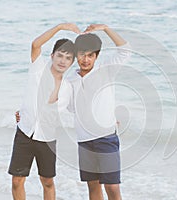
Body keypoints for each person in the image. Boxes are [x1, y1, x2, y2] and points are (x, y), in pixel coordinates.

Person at [58, 24, 131, 200]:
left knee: (112, 187)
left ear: (96, 56)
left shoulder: (105, 71)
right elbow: (66, 107)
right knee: (93, 187)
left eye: (90, 55)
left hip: (106, 138)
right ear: (75, 56)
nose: (85, 59)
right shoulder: (70, 81)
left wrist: (106, 29)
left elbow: (125, 50)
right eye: (82, 54)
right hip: (84, 141)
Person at [8, 23, 80, 200]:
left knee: (47, 181)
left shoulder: (68, 88)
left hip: (47, 139)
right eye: (60, 55)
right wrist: (61, 26)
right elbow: (35, 44)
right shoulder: (37, 69)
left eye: (68, 58)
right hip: (25, 132)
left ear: (72, 62)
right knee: (17, 180)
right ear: (52, 56)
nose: (63, 60)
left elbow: (79, 110)